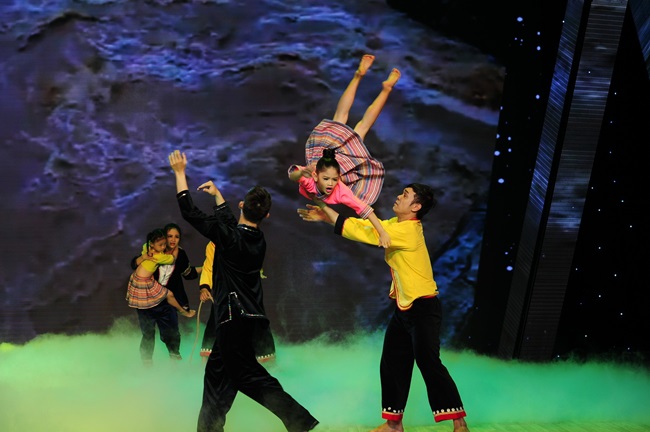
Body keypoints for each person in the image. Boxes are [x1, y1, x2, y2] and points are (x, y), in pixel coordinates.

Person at [298, 184, 470, 432]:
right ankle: (394, 424)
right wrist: (327, 216)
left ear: (416, 206)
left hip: (423, 307)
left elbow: (368, 233)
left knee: (428, 361)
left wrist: (325, 207)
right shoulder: (396, 225)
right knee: (392, 361)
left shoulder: (407, 231)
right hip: (405, 307)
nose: (399, 197)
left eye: (405, 195)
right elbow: (365, 227)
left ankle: (459, 423)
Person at [169, 149, 318, 432]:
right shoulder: (258, 241)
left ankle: (300, 420)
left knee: (247, 376)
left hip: (233, 319)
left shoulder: (231, 238)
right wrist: (218, 196)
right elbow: (230, 227)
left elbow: (191, 213)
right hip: (246, 319)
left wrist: (179, 173)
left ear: (241, 205)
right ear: (267, 215)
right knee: (216, 377)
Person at [288, 54, 401, 248]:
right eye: (327, 180)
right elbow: (294, 175)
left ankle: (361, 76)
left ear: (338, 178)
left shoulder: (338, 188)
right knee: (361, 127)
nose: (331, 184)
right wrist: (303, 172)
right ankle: (384, 88)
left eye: (334, 180)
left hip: (330, 156)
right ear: (316, 176)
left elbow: (366, 211)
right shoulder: (332, 188)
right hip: (330, 163)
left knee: (342, 118)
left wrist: (382, 232)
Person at [129, 223, 202, 363]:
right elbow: (134, 264)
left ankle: (175, 362)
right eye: (170, 236)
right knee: (148, 334)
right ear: (164, 237)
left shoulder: (181, 254)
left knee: (172, 333)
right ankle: (146, 365)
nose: (173, 240)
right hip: (147, 300)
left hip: (166, 303)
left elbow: (188, 273)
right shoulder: (154, 250)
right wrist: (144, 257)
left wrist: (206, 268)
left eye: (177, 237)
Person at [198, 240, 276, 364]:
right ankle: (207, 365)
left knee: (256, 324)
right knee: (216, 323)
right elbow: (209, 267)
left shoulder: (244, 239)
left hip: (246, 291)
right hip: (223, 291)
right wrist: (205, 287)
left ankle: (267, 364)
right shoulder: (214, 244)